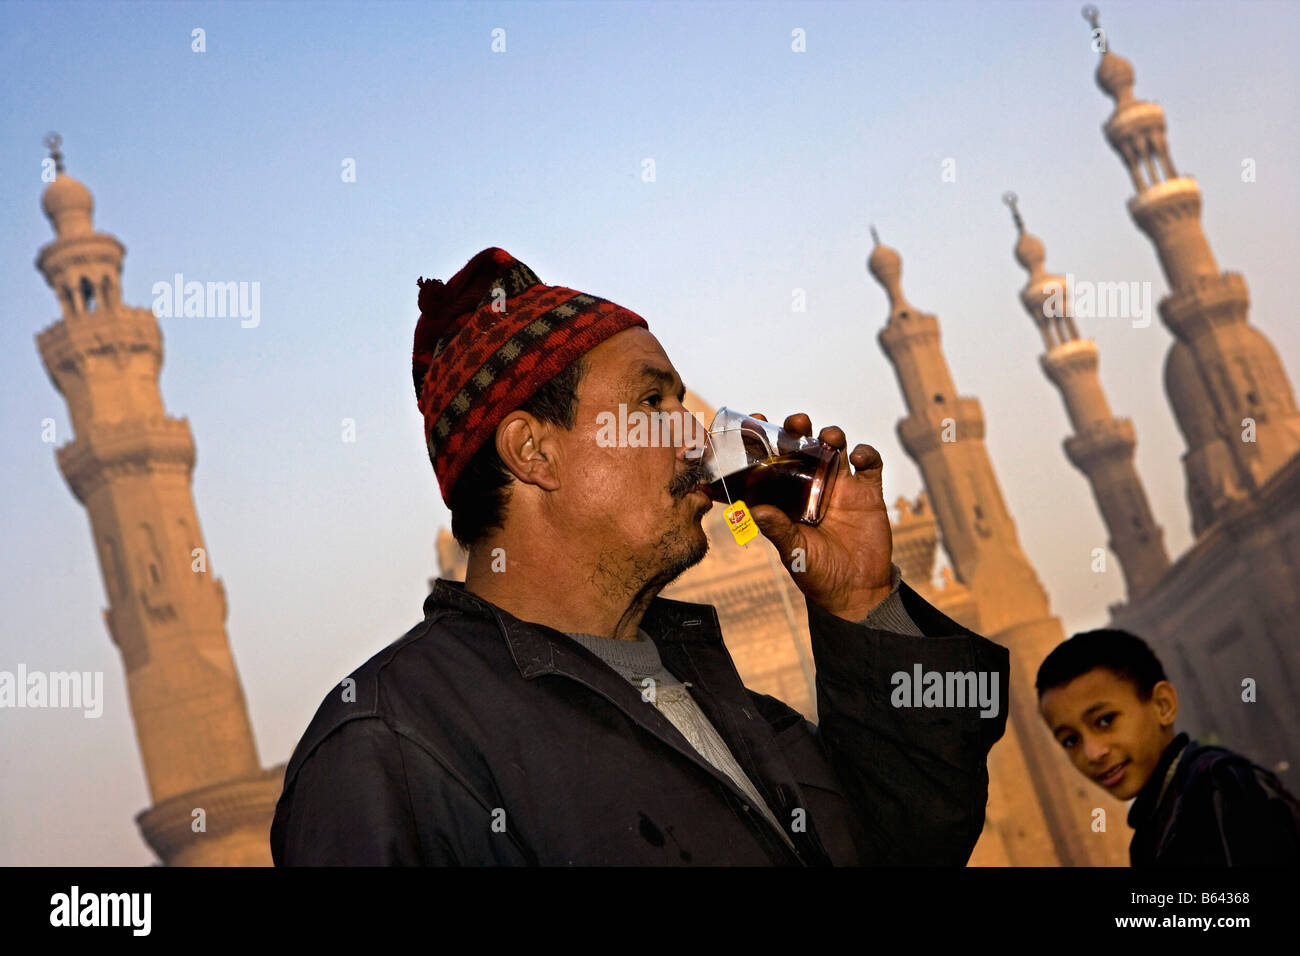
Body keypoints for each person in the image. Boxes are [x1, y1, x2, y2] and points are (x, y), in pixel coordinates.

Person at [270, 247, 1009, 866]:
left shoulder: (726, 709)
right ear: (534, 452)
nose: (696, 438)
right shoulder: (393, 753)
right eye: (652, 405)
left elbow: (908, 847)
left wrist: (861, 604)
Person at [1036, 628, 1300, 866]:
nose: (1093, 752)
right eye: (1071, 740)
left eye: (1105, 721)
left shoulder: (1223, 790)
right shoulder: (1158, 821)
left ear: (1163, 705)